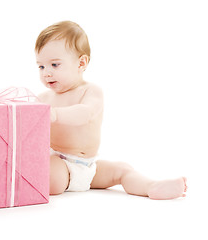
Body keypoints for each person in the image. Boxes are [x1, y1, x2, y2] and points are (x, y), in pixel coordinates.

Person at [35, 21, 187, 200]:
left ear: (81, 63)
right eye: (41, 66)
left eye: (54, 65)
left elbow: (85, 113)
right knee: (49, 171)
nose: (46, 73)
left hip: (89, 166)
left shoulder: (90, 91)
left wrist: (55, 114)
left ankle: (150, 186)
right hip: (59, 163)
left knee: (122, 170)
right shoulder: (43, 99)